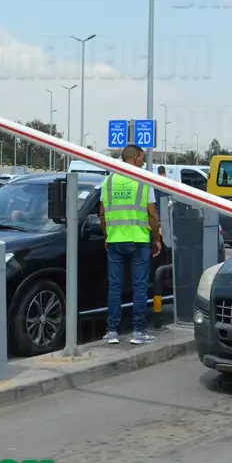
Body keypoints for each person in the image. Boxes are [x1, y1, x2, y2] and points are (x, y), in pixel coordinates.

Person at [99, 145, 163, 345]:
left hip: (115, 240)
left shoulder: (108, 181)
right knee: (140, 286)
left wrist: (106, 236)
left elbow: (101, 213)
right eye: (142, 158)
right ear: (134, 158)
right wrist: (157, 238)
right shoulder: (143, 181)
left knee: (115, 287)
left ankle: (111, 332)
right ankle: (138, 332)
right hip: (139, 241)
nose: (143, 162)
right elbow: (152, 213)